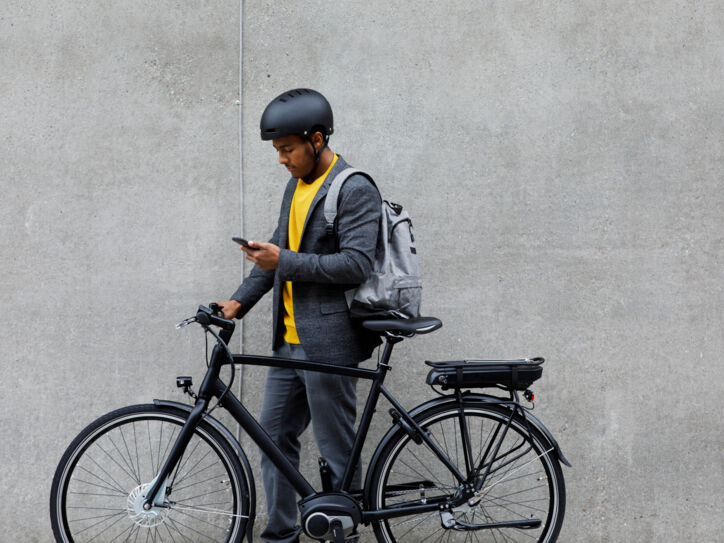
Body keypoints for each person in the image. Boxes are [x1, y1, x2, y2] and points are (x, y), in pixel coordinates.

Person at [217, 88, 381, 543]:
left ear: (315, 139)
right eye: (277, 151)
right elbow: (276, 252)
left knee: (336, 450)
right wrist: (236, 302)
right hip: (288, 344)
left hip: (328, 342)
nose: (282, 160)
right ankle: (280, 535)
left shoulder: (355, 188)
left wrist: (282, 262)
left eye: (287, 149)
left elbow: (356, 264)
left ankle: (343, 535)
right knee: (272, 441)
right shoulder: (296, 186)